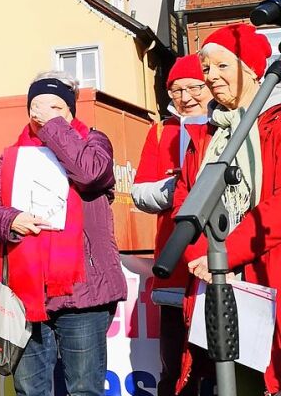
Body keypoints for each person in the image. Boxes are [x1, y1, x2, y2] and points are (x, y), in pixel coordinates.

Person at [0, 71, 126, 396]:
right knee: (30, 390)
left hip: (83, 293)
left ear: (72, 112)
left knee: (84, 389)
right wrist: (11, 219)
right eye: (37, 108)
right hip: (27, 291)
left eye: (56, 107)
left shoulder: (94, 142)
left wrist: (53, 127)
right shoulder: (13, 155)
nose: (43, 115)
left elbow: (88, 174)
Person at [180, 24, 281, 395]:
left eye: (223, 66)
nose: (211, 76)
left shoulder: (276, 121)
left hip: (266, 271)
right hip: (216, 280)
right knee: (233, 382)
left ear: (252, 68)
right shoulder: (206, 133)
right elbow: (185, 197)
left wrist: (225, 253)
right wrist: (198, 255)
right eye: (206, 68)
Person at [130, 54, 212, 396]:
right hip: (175, 265)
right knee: (174, 364)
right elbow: (138, 192)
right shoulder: (162, 130)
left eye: (195, 87)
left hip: (220, 263)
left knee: (218, 366)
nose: (187, 97)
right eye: (177, 89)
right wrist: (178, 187)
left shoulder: (228, 125)